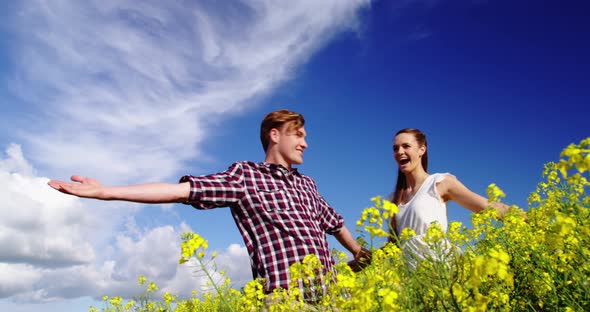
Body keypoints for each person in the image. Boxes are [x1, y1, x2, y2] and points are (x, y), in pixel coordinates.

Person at [48, 109, 370, 295]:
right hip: (287, 300)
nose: (306, 143)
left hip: (333, 297)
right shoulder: (246, 177)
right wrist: (108, 191)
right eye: (298, 135)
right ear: (275, 135)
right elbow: (180, 190)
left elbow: (335, 223)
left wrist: (358, 252)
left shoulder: (307, 184)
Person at [387, 128, 511, 267]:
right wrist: (359, 253)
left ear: (422, 150)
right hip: (413, 283)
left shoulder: (439, 183)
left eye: (406, 146)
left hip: (441, 272)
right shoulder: (392, 200)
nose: (400, 152)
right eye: (395, 148)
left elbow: (485, 206)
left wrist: (529, 218)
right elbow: (392, 247)